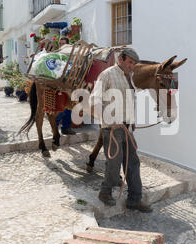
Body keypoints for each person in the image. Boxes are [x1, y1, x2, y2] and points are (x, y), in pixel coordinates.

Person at [89, 48, 152, 213]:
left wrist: (132, 122)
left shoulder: (129, 77)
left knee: (133, 163)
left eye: (134, 64)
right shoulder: (107, 75)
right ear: (121, 59)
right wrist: (110, 120)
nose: (132, 66)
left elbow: (129, 101)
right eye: (130, 62)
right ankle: (105, 192)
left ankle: (134, 200)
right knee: (114, 163)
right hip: (113, 128)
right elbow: (94, 100)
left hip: (127, 127)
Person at [56, 36, 76, 135]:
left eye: (63, 44)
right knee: (59, 107)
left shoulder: (71, 55)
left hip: (68, 85)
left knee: (68, 107)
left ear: (67, 45)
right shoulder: (56, 55)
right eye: (60, 44)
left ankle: (66, 128)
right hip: (58, 85)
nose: (61, 46)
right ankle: (54, 128)